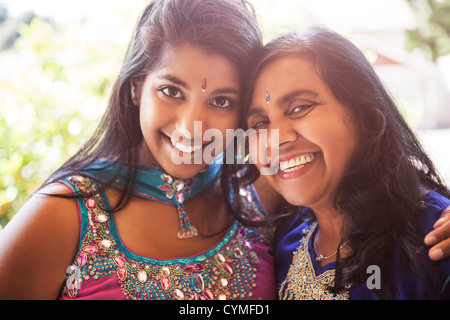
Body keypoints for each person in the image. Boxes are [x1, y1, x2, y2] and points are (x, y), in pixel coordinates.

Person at [0, 0, 279, 300]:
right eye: (171, 91)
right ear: (136, 87)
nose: (191, 127)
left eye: (221, 101)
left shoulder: (259, 193)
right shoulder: (61, 214)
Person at [241, 26, 450, 299]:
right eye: (260, 123)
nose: (275, 139)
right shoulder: (285, 240)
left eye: (299, 108)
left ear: (364, 116)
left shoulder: (436, 240)